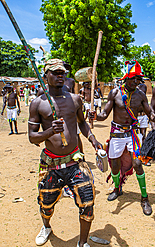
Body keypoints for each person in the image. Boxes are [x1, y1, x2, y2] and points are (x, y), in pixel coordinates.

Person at [28, 59, 102, 247]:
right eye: (56, 72)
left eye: (63, 72)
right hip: (51, 165)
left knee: (87, 203)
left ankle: (83, 242)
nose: (61, 75)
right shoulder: (38, 103)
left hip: (75, 162)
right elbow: (32, 137)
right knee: (46, 204)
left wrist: (93, 139)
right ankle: (46, 227)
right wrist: (50, 131)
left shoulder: (74, 99)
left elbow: (82, 123)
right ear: (46, 75)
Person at [94, 60, 155, 215]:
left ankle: (144, 198)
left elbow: (150, 113)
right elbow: (104, 115)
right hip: (116, 134)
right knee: (115, 166)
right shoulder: (115, 93)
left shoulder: (141, 95)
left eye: (139, 79)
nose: (137, 82)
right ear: (126, 78)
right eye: (134, 78)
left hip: (133, 134)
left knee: (138, 163)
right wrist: (95, 116)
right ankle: (117, 189)